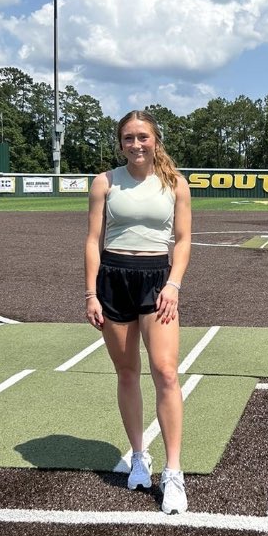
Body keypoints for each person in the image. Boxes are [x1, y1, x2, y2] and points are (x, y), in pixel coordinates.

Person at [84, 110, 192, 514]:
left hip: (156, 281)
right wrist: (91, 294)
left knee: (165, 371)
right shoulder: (105, 182)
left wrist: (173, 285)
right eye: (128, 138)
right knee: (127, 372)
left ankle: (174, 473)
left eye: (142, 137)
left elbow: (182, 241)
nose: (136, 144)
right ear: (121, 143)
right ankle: (139, 456)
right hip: (113, 279)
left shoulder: (175, 184)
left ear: (155, 140)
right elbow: (93, 241)